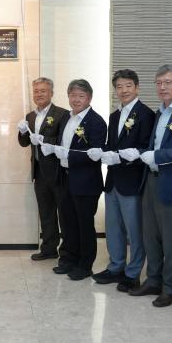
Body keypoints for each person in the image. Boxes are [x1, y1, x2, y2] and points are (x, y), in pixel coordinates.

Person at [127, 65, 172, 307]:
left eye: (168, 82)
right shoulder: (160, 112)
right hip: (150, 179)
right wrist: (141, 153)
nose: (162, 87)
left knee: (170, 239)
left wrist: (157, 157)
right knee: (150, 235)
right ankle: (153, 280)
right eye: (159, 83)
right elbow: (155, 145)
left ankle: (170, 287)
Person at [95, 69, 155, 291]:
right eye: (119, 87)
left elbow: (146, 148)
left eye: (128, 85)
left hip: (132, 181)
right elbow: (112, 146)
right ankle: (116, 267)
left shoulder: (146, 114)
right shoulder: (114, 116)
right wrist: (102, 151)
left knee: (134, 230)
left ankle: (133, 272)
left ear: (137, 87)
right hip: (113, 180)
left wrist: (123, 157)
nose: (123, 90)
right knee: (113, 228)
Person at [41, 79, 106, 280]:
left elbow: (94, 154)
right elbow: (60, 142)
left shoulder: (96, 121)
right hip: (64, 178)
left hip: (85, 181)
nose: (76, 100)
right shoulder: (66, 118)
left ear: (89, 98)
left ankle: (85, 265)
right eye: (72, 95)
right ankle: (68, 259)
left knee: (84, 225)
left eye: (81, 96)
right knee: (68, 222)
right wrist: (50, 146)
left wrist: (67, 154)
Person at [17, 77, 69, 261]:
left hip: (59, 172)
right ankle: (49, 248)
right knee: (46, 212)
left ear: (51, 93)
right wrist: (22, 131)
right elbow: (24, 143)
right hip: (39, 172)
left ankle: (67, 252)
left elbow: (65, 141)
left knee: (64, 213)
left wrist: (44, 140)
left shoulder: (63, 114)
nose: (39, 94)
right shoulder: (30, 116)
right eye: (36, 91)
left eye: (43, 91)